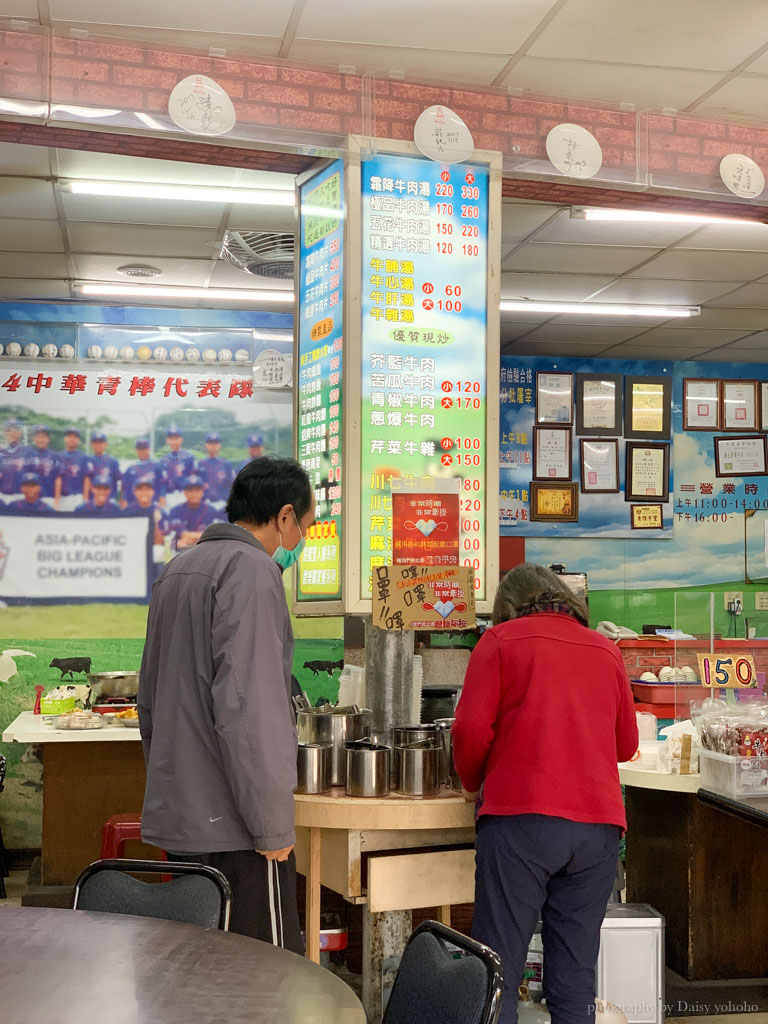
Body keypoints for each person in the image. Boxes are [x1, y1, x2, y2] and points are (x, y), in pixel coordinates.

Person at [138, 456, 316, 949]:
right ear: (284, 517)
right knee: (263, 972)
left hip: (185, 821)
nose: (302, 539)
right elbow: (249, 709)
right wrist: (272, 825)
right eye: (306, 526)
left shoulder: (178, 569)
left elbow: (147, 700)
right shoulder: (252, 571)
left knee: (198, 968)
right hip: (237, 830)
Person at [452, 564, 638, 1024]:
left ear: (507, 608)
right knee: (574, 986)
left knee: (499, 977)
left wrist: (473, 783)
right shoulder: (605, 650)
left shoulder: (498, 643)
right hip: (597, 831)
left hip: (521, 823)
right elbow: (627, 744)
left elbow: (470, 731)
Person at [167, 474, 221, 550]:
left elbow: (214, 535)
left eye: (197, 490)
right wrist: (200, 538)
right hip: (182, 551)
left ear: (202, 492)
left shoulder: (211, 510)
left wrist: (191, 540)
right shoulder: (176, 510)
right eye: (190, 490)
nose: (194, 494)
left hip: (204, 549)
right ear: (185, 492)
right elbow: (183, 534)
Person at [121, 438, 167, 507]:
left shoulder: (157, 466)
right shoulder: (130, 468)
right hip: (133, 505)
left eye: (144, 448)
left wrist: (162, 500)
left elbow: (162, 486)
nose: (142, 451)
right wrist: (124, 502)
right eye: (140, 449)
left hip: (152, 505)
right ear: (136, 450)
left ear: (149, 449)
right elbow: (125, 488)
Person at [55, 427, 90, 511]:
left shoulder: (84, 457)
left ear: (78, 440)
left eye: (75, 437)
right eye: (69, 436)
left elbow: (87, 479)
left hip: (77, 498)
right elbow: (58, 479)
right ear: (65, 439)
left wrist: (85, 499)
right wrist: (56, 501)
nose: (72, 439)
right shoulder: (58, 456)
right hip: (62, 498)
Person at [24, 425, 60, 502]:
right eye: (38, 437)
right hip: (33, 499)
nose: (41, 440)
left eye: (44, 437)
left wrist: (57, 500)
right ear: (34, 439)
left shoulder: (55, 455)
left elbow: (58, 479)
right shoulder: (29, 455)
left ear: (48, 439)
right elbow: (26, 479)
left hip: (50, 497)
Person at [196, 432, 234, 504]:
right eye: (210, 443)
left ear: (220, 445)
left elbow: (231, 484)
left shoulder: (226, 464)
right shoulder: (200, 464)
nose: (213, 446)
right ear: (206, 445)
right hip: (204, 502)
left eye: (215, 443)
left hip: (222, 502)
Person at [159, 425, 196, 498]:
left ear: (181, 439)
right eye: (171, 438)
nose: (173, 441)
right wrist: (162, 496)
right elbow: (161, 481)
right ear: (167, 440)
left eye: (176, 438)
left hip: (185, 494)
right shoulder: (163, 459)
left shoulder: (189, 457)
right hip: (168, 495)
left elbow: (194, 477)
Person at [0, 418, 30, 498]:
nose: (12, 433)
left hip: (22, 495)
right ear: (5, 433)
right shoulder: (1, 451)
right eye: (9, 430)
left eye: (15, 430)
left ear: (20, 433)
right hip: (2, 495)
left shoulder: (28, 451)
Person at [87, 431, 121, 498]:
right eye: (95, 442)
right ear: (91, 444)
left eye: (101, 442)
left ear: (106, 444)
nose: (98, 445)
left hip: (109, 498)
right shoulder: (88, 460)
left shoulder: (113, 461)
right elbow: (86, 481)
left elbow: (119, 478)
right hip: (93, 499)